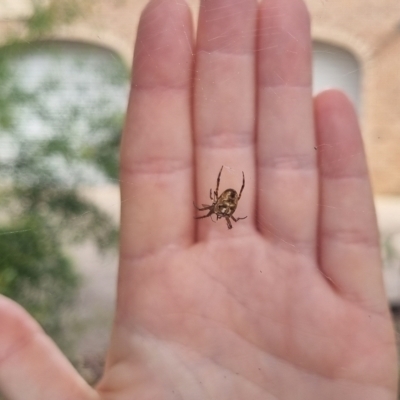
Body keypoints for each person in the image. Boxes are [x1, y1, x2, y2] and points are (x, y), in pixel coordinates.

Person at [0, 0, 398, 398]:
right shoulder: (221, 206)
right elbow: (221, 204)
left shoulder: (224, 207)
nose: (219, 211)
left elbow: (226, 204)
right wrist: (223, 193)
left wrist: (225, 193)